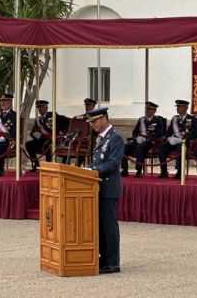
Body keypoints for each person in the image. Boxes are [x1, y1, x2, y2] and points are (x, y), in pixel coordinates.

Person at [88, 107, 123, 274]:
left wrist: (92, 171)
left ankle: (113, 262)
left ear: (103, 119)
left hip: (108, 188)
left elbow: (113, 163)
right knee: (100, 227)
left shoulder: (115, 138)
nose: (93, 125)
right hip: (98, 188)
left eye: (94, 121)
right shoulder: (101, 138)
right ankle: (104, 258)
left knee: (109, 227)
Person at [158, 99, 197, 179]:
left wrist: (184, 139)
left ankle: (179, 171)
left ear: (186, 108)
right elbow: (168, 132)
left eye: (179, 107)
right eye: (177, 107)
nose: (177, 108)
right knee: (161, 146)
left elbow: (195, 133)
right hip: (174, 141)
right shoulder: (174, 119)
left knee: (180, 146)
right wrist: (169, 138)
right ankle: (164, 171)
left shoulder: (192, 119)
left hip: (185, 142)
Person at [122, 101, 165, 177]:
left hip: (150, 142)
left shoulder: (158, 120)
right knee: (125, 146)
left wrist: (148, 138)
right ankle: (124, 169)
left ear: (154, 111)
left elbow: (160, 133)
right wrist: (136, 138)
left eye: (150, 109)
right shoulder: (141, 119)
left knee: (140, 147)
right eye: (146, 109)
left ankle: (139, 170)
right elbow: (135, 132)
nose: (147, 111)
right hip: (139, 140)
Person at [26, 100, 53, 171]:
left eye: (41, 108)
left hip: (50, 139)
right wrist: (35, 134)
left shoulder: (52, 116)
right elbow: (32, 132)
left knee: (48, 145)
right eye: (38, 108)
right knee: (28, 144)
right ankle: (36, 164)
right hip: (40, 139)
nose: (39, 110)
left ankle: (48, 166)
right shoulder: (37, 119)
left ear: (46, 108)